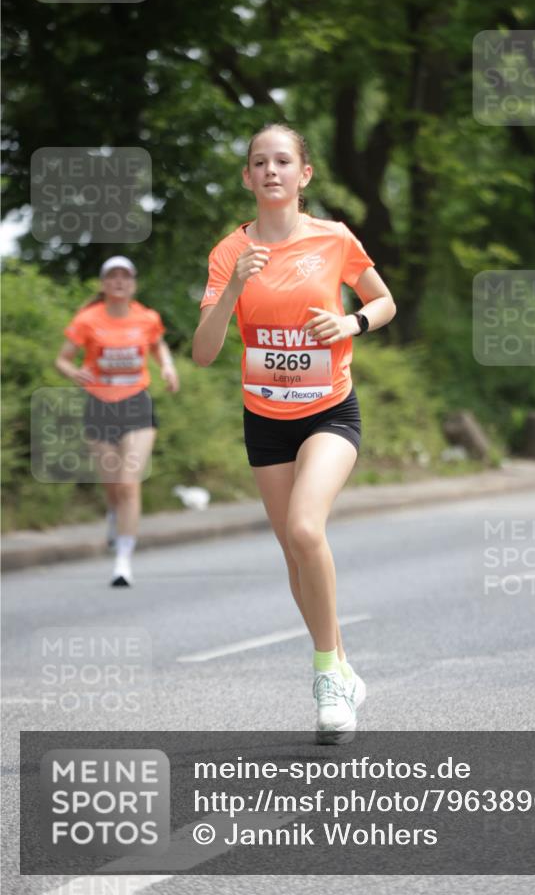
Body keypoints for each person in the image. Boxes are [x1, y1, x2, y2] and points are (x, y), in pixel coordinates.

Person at [193, 123, 396, 741]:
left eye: (283, 161)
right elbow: (203, 354)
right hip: (267, 420)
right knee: (294, 553)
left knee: (308, 528)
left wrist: (351, 323)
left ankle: (326, 677)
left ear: (303, 175)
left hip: (330, 410)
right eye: (260, 162)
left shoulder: (333, 239)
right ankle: (342, 661)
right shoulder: (230, 251)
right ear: (248, 177)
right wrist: (232, 288)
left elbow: (384, 300)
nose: (271, 171)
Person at [55, 256, 180, 587]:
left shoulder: (147, 317)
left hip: (136, 405)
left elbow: (158, 345)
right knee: (112, 486)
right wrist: (73, 371)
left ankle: (123, 560)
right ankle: (114, 516)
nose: (120, 282)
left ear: (134, 283)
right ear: (103, 283)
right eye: (113, 276)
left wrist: (167, 366)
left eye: (126, 276)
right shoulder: (87, 319)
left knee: (128, 483)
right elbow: (62, 359)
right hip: (100, 405)